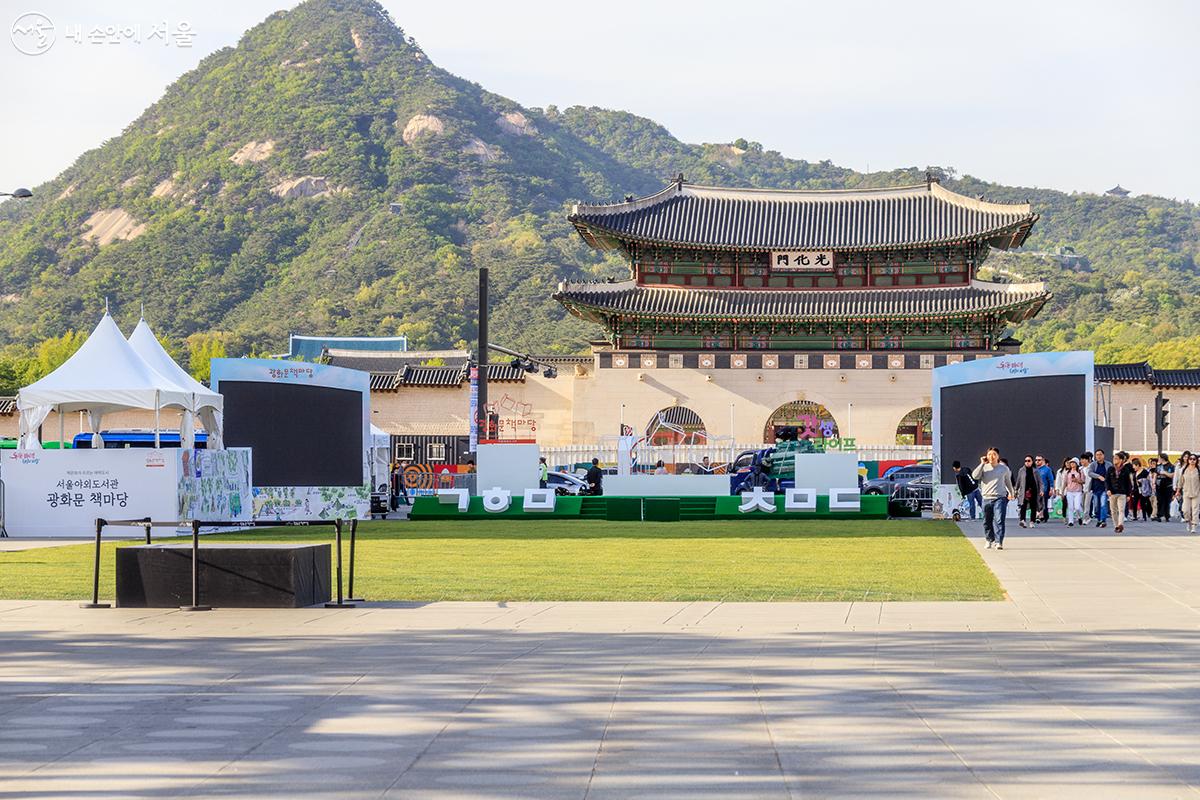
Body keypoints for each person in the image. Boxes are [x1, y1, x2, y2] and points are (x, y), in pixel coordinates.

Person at [972, 447, 1015, 549]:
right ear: (986, 456)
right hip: (986, 498)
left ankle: (999, 541)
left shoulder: (1004, 469)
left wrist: (1011, 493)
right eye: (990, 454)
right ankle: (989, 539)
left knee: (999, 520)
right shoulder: (984, 467)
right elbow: (975, 476)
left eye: (994, 454)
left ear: (998, 456)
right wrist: (982, 463)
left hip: (1000, 497)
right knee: (987, 521)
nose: (992, 456)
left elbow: (1008, 482)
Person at [1105, 450, 1136, 534]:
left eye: (1116, 459)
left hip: (1122, 493)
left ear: (1121, 460)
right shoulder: (1110, 469)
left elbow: (1128, 483)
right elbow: (1107, 480)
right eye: (1114, 458)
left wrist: (1129, 494)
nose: (1114, 460)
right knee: (1113, 511)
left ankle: (1120, 524)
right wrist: (1108, 489)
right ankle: (1116, 526)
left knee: (1121, 510)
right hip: (1112, 493)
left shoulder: (1125, 470)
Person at [1014, 455, 1042, 528]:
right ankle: (1022, 520)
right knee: (1023, 505)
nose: (1027, 462)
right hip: (1024, 491)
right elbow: (1018, 481)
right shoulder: (1021, 470)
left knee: (1033, 506)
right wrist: (1016, 490)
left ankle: (1032, 521)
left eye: (1029, 461)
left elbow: (1040, 482)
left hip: (1033, 490)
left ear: (1032, 462)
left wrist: (1041, 490)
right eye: (1025, 461)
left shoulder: (1035, 471)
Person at [1175, 452, 1200, 534]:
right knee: (1185, 510)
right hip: (1186, 493)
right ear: (1188, 460)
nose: (1192, 460)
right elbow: (1180, 482)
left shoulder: (1198, 470)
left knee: (1195, 510)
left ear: (1196, 461)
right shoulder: (1184, 470)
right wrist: (1178, 491)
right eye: (1190, 459)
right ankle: (1188, 521)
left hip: (1196, 493)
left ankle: (1194, 525)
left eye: (1194, 459)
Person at [1088, 449, 1110, 528]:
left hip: (1105, 488)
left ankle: (1103, 520)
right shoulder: (1093, 464)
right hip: (1095, 488)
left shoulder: (1108, 464)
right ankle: (1098, 519)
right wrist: (1099, 476)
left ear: (1103, 455)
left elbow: (1111, 474)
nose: (1099, 456)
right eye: (1097, 455)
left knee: (1103, 504)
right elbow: (1090, 473)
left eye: (1100, 454)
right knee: (1097, 506)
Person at [1061, 458, 1085, 527]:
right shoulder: (1067, 472)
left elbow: (1083, 481)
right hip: (1069, 491)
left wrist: (1077, 480)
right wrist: (1062, 492)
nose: (1072, 464)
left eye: (1073, 463)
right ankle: (1071, 521)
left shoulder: (1080, 472)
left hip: (1078, 491)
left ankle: (1080, 516)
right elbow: (1065, 483)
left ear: (1077, 464)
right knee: (1070, 507)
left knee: (1077, 507)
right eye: (1071, 463)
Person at [1035, 455, 1055, 522]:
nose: (1037, 461)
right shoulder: (1035, 469)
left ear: (1043, 461)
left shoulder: (1047, 469)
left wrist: (1051, 489)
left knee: (1043, 503)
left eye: (1039, 460)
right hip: (1035, 489)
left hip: (1044, 489)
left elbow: (1051, 480)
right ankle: (1039, 516)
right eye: (1036, 460)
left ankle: (1043, 517)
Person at [1155, 454, 1174, 522]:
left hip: (1168, 486)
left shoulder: (1171, 466)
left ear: (1163, 458)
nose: (1158, 459)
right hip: (1159, 485)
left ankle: (1167, 515)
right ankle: (1159, 515)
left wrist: (1165, 473)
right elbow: (1156, 474)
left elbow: (1172, 475)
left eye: (1159, 458)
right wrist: (1154, 483)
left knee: (1167, 501)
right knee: (1159, 500)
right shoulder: (1159, 466)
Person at [1078, 453, 1093, 525]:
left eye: (1084, 459)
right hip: (1081, 489)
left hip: (1090, 489)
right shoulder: (1080, 469)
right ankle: (1087, 517)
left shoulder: (1091, 467)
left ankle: (1085, 519)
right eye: (1081, 459)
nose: (1082, 461)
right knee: (1082, 504)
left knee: (1087, 505)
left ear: (1088, 460)